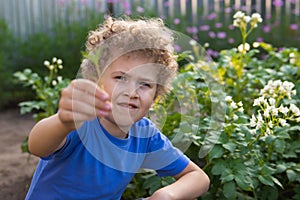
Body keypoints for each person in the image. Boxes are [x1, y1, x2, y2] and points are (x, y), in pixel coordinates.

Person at [25, 17, 210, 200]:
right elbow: (37, 146)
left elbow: (198, 177)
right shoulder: (82, 122)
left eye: (145, 84)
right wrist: (62, 122)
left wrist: (166, 195)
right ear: (96, 81)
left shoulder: (144, 135)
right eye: (120, 78)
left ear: (155, 96)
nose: (132, 92)